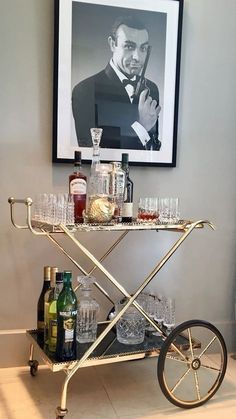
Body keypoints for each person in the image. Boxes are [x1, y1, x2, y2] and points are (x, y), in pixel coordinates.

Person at [72, 16, 161, 150]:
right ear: (112, 44)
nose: (137, 57)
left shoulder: (152, 89)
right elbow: (92, 150)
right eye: (129, 46)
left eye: (143, 48)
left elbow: (153, 148)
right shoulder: (84, 90)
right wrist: (141, 127)